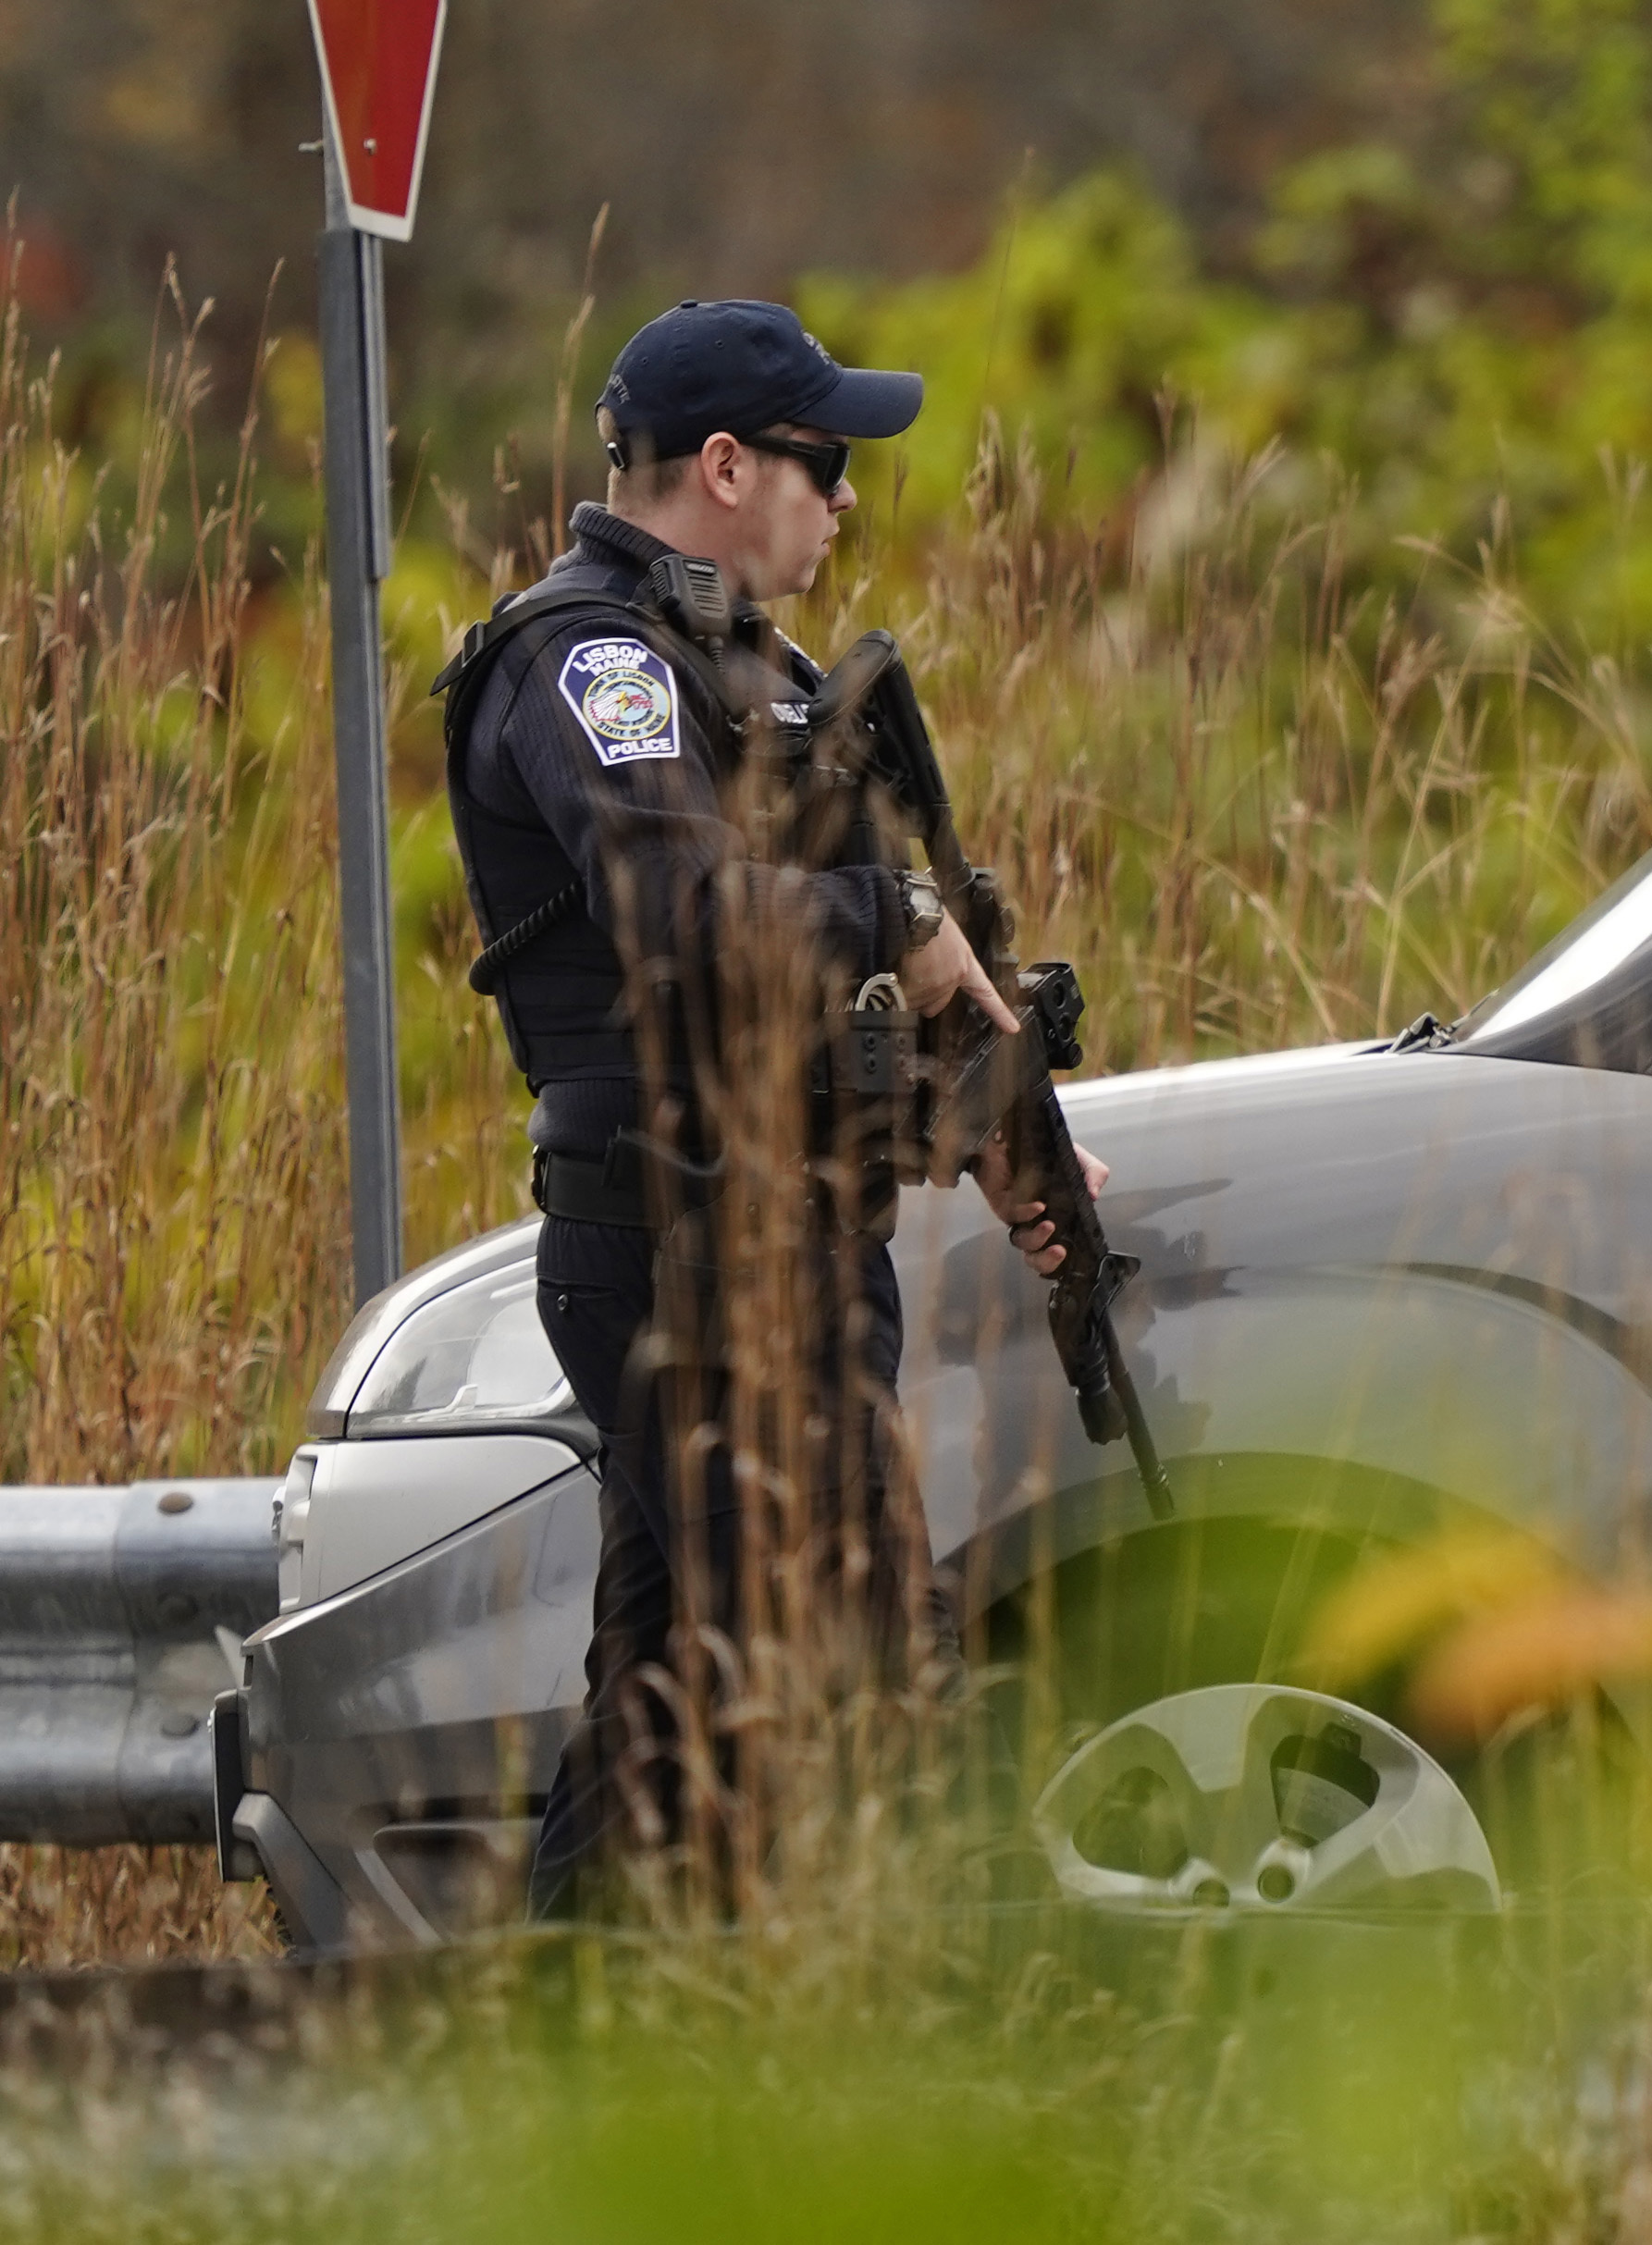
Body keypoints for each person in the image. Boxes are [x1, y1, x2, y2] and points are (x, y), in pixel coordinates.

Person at [437, 299, 1105, 1917]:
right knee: (869, 1679)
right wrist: (900, 924)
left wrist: (990, 1119)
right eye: (826, 460)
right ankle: (963, 2073)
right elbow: (689, 928)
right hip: (694, 1249)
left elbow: (811, 1008)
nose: (849, 494)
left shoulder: (762, 675)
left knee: (661, 1727)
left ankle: (545, 2088)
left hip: (772, 1241)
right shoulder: (591, 661)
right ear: (727, 464)